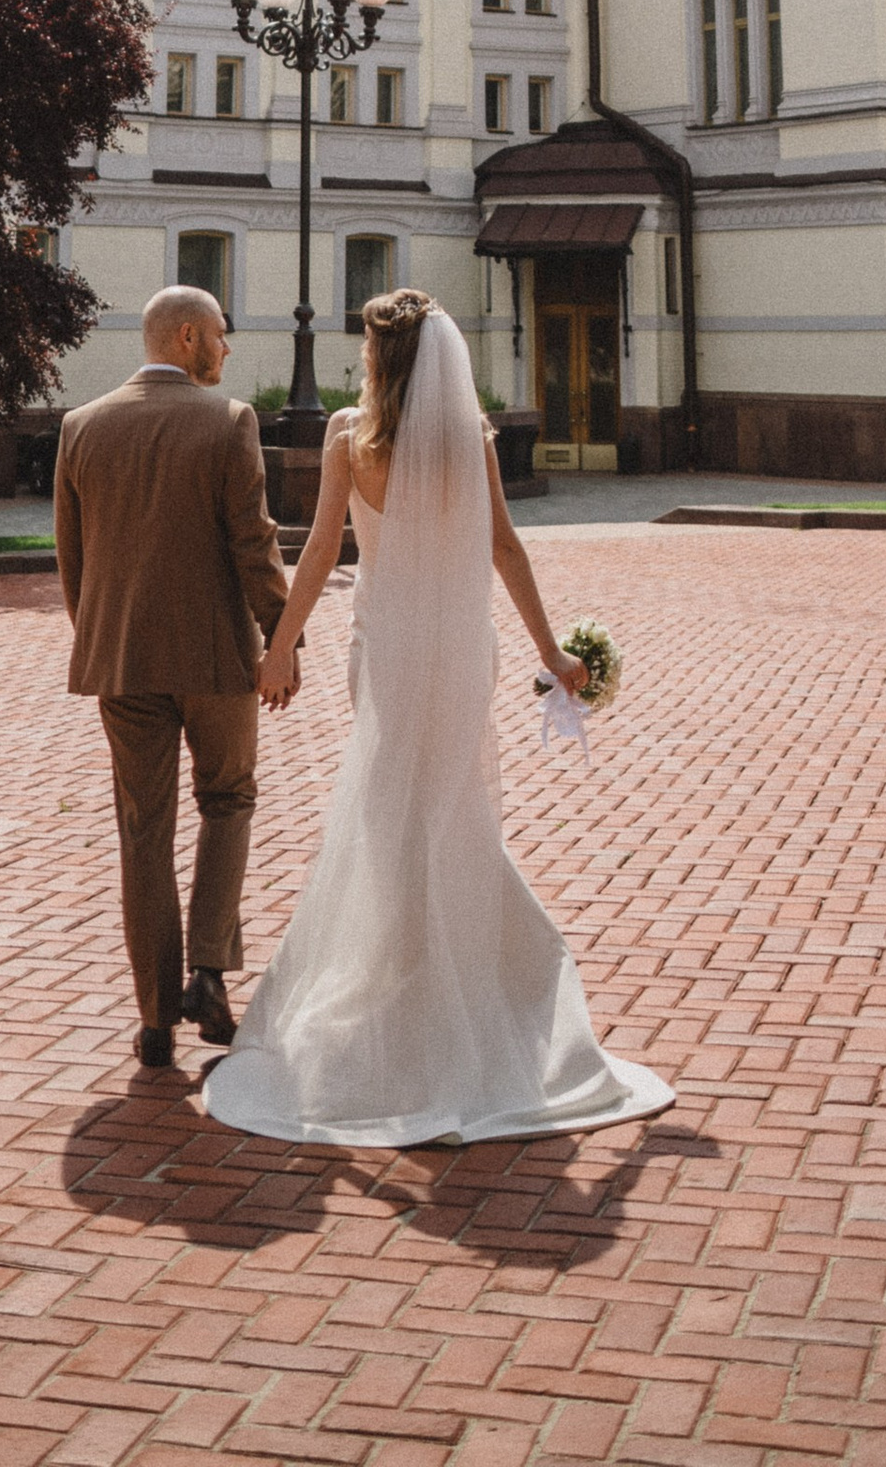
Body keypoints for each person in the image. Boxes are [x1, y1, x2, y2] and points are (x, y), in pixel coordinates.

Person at [201, 289, 672, 1148]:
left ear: (381, 357)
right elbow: (504, 545)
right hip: (459, 651)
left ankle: (401, 978)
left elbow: (320, 546)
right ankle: (457, 977)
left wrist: (280, 646)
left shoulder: (349, 432)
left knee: (389, 811)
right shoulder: (469, 438)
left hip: (385, 652)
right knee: (453, 806)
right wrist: (550, 653)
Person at [54, 284, 299, 1069]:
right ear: (189, 337)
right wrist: (280, 638)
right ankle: (209, 974)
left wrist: (104, 638)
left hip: (121, 661)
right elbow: (253, 544)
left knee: (142, 829)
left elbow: (74, 563)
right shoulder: (227, 420)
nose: (228, 351)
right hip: (217, 659)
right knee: (229, 798)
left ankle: (155, 1017)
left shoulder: (79, 427)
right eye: (222, 336)